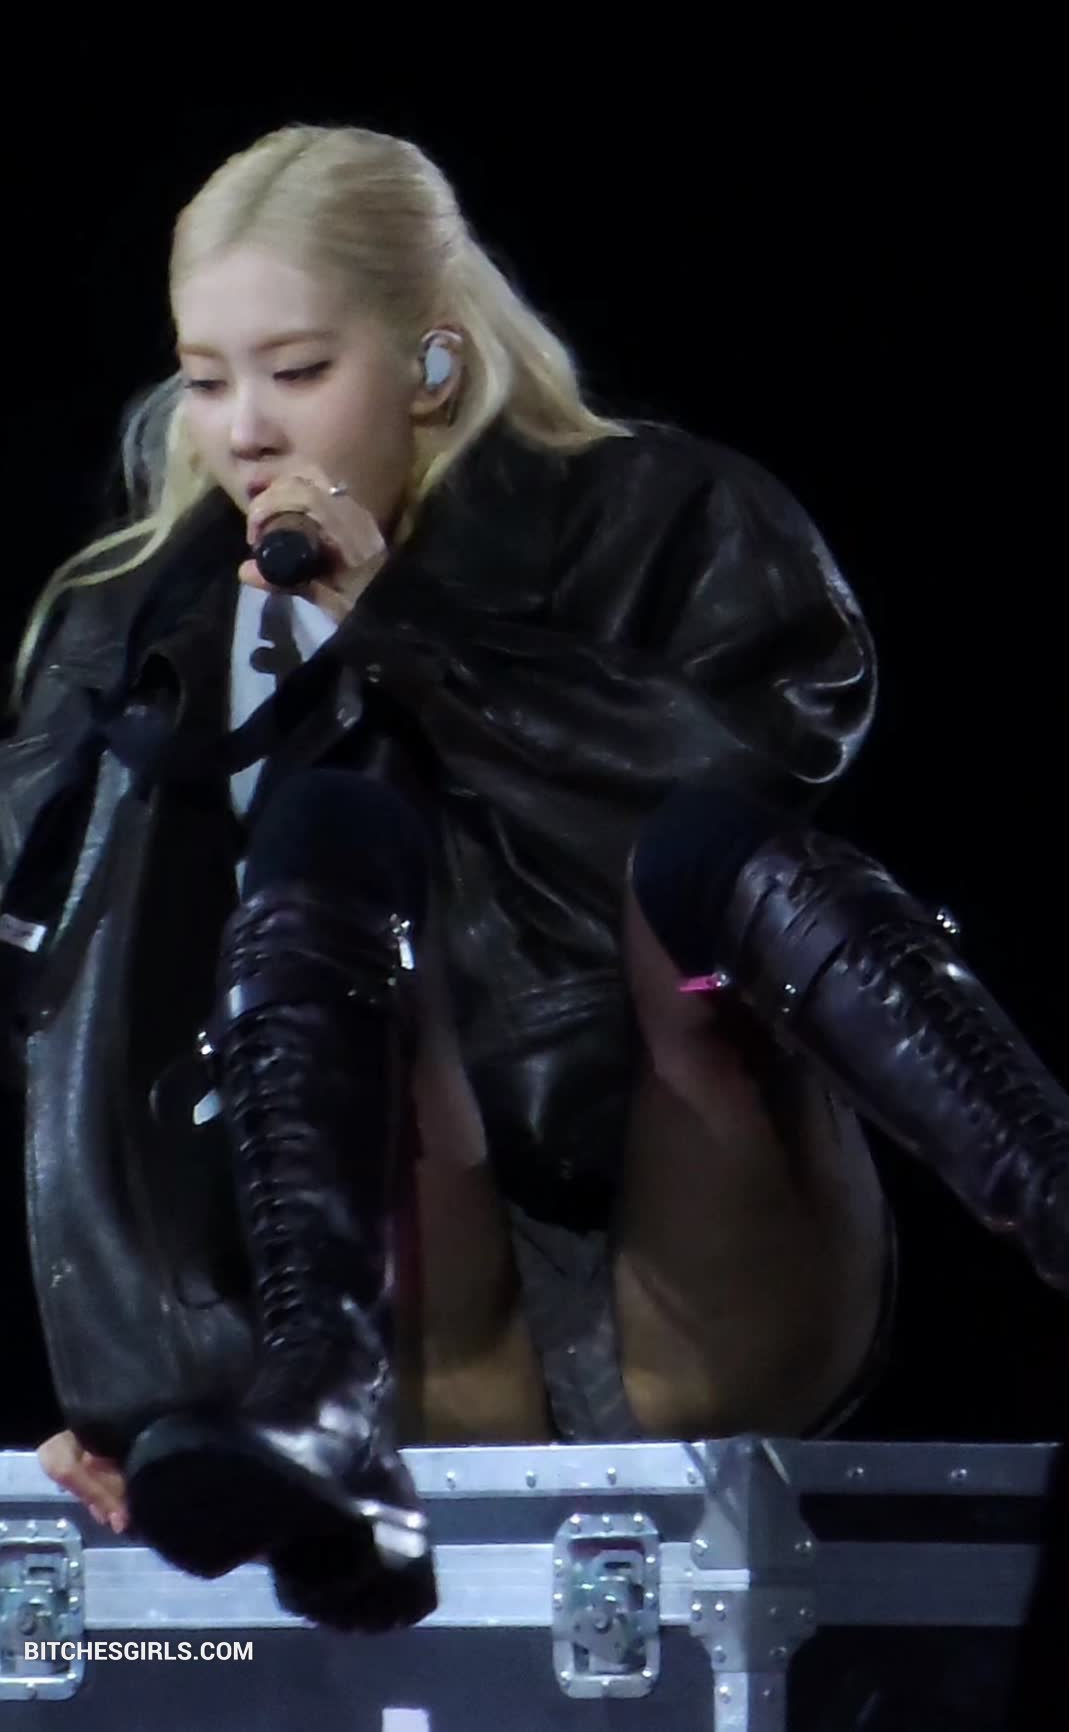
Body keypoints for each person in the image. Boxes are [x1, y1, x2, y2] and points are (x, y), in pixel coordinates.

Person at [2, 123, 1066, 1634]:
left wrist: (404, 625)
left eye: (297, 370)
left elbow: (761, 770)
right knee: (331, 836)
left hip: (701, 1233)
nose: (244, 430)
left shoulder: (668, 516)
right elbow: (58, 997)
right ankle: (319, 1409)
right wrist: (128, 1390)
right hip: (414, 1308)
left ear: (431, 361)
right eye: (208, 377)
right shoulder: (130, 625)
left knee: (699, 853)